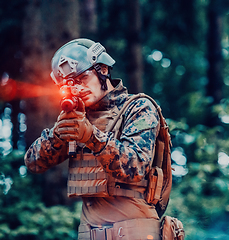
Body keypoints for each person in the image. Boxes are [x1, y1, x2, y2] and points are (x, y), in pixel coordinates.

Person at [24, 38, 163, 240]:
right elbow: (33, 163)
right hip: (90, 233)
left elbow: (135, 168)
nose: (78, 88)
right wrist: (58, 135)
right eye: (70, 84)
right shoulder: (78, 118)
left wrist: (90, 136)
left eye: (82, 78)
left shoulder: (138, 108)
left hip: (135, 231)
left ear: (103, 69)